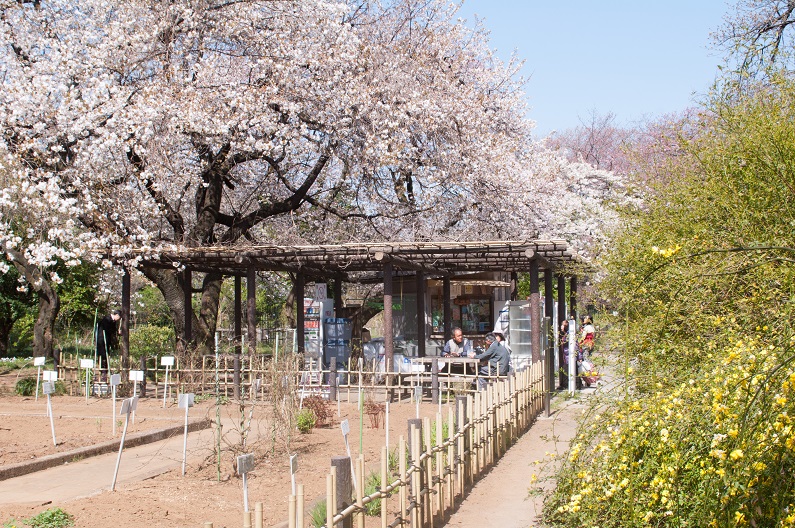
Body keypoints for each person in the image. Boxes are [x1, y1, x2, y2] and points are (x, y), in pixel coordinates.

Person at [96, 309, 121, 381]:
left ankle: (105, 371)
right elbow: (107, 330)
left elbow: (113, 331)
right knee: (103, 356)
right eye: (119, 318)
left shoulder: (113, 321)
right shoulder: (106, 319)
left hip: (107, 341)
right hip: (102, 341)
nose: (118, 320)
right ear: (117, 315)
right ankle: (103, 371)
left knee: (106, 356)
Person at [557, 319, 569, 390]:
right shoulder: (565, 334)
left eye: (563, 325)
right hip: (566, 355)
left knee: (566, 369)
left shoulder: (568, 335)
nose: (561, 326)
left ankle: (565, 384)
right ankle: (565, 384)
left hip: (568, 356)